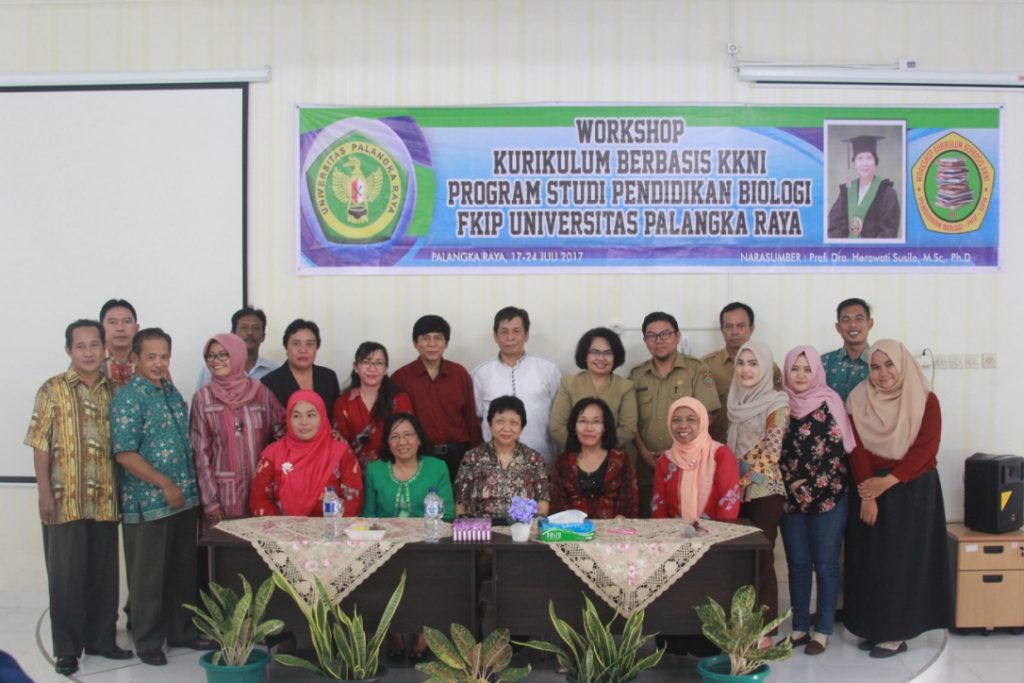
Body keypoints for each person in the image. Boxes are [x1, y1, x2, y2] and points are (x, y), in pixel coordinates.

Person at [24, 320, 130, 676]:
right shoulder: (52, 389)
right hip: (63, 500)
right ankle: (67, 649)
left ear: (103, 350)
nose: (88, 352)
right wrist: (44, 493)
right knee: (66, 577)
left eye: (94, 345)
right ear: (69, 350)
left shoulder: (114, 391)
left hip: (103, 500)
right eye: (80, 346)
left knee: (104, 576)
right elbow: (40, 445)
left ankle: (102, 640)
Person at [110, 328, 213, 665]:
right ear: (135, 358)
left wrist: (182, 489)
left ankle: (181, 630)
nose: (158, 363)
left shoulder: (170, 391)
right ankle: (148, 639)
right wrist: (164, 483)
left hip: (182, 500)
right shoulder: (129, 397)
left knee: (181, 571)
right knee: (149, 576)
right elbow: (125, 453)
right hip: (149, 505)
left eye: (164, 356)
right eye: (151, 356)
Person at [844, 340, 952, 658]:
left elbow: (926, 447)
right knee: (870, 561)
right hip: (869, 489)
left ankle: (896, 633)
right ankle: (874, 627)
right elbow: (856, 446)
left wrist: (888, 481)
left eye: (889, 365)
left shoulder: (925, 399)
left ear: (902, 364)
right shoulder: (857, 398)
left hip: (913, 490)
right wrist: (868, 491)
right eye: (875, 367)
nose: (882, 373)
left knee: (903, 562)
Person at [778, 346, 854, 655]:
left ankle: (822, 630)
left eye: (807, 369)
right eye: (794, 368)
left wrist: (811, 485)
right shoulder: (779, 403)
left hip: (829, 497)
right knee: (797, 564)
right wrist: (792, 481)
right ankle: (798, 627)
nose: (800, 375)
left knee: (825, 565)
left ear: (817, 373)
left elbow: (839, 451)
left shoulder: (830, 401)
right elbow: (768, 449)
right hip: (789, 497)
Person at [727, 340, 790, 643]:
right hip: (737, 492)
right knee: (737, 561)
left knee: (762, 559)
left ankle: (765, 631)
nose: (746, 369)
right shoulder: (735, 401)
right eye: (741, 362)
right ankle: (740, 628)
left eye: (753, 363)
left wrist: (735, 481)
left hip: (765, 490)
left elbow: (772, 452)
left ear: (765, 367)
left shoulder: (777, 402)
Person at [631, 312, 720, 516]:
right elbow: (630, 421)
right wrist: (644, 453)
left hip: (689, 464)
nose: (659, 341)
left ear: (677, 336)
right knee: (649, 524)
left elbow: (707, 416)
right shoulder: (637, 375)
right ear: (645, 341)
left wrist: (678, 453)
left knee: (688, 525)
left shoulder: (696, 369)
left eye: (665, 334)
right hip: (648, 465)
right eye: (651, 336)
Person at [190, 333, 286, 522]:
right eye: (210, 355)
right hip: (223, 496)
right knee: (227, 549)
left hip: (263, 491)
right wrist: (211, 502)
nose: (215, 361)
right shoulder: (203, 398)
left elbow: (284, 435)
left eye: (223, 354)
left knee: (260, 548)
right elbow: (200, 454)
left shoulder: (261, 393)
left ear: (237, 355)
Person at [392, 315, 482, 483]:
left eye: (438, 338)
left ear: (446, 343)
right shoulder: (400, 378)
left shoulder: (459, 374)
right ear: (415, 343)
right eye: (425, 338)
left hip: (458, 455)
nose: (432, 344)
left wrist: (474, 456)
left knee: (457, 506)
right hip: (418, 456)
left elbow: (470, 418)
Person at [250, 390, 363, 517]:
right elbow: (259, 499)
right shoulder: (272, 454)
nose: (304, 422)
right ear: (288, 418)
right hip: (281, 532)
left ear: (322, 416)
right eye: (296, 416)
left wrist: (327, 528)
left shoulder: (341, 452)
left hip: (329, 531)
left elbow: (353, 499)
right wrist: (283, 528)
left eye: (311, 415)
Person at [472, 306, 561, 466]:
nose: (510, 337)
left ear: (526, 335)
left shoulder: (548, 369)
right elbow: (477, 418)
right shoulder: (481, 373)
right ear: (495, 336)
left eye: (516, 331)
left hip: (541, 460)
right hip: (495, 465)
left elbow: (560, 414)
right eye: (504, 331)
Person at [455, 395, 550, 519]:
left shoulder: (534, 459)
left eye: (514, 423)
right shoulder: (472, 458)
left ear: (521, 428)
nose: (506, 428)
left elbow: (543, 504)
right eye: (500, 421)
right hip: (482, 532)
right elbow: (460, 504)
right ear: (490, 425)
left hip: (521, 532)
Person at [702, 302, 782, 444]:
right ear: (721, 330)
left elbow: (778, 406)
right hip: (716, 448)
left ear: (751, 329)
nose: (735, 332)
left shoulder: (769, 367)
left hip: (756, 451)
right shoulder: (706, 366)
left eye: (741, 326)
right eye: (729, 326)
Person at [651, 397, 741, 522]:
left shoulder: (720, 454)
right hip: (673, 535)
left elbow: (728, 500)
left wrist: (719, 536)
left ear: (703, 422)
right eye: (676, 420)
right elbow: (659, 505)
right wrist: (667, 536)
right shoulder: (666, 460)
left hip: (716, 534)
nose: (683, 425)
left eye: (691, 419)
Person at [550, 327, 637, 453]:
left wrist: (598, 450)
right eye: (595, 352)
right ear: (585, 355)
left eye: (608, 353)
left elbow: (628, 429)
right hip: (574, 455)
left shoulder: (626, 386)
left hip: (612, 456)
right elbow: (557, 427)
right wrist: (582, 449)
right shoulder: (568, 383)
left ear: (615, 356)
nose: (601, 358)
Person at [549, 398, 638, 519]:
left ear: (605, 427)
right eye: (582, 421)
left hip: (613, 532)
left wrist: (619, 522)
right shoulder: (563, 462)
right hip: (572, 532)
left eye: (596, 422)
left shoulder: (620, 460)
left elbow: (629, 502)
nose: (589, 428)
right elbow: (556, 504)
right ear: (574, 427)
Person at [333, 342, 412, 467]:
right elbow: (340, 444)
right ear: (355, 367)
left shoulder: (400, 400)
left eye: (379, 363)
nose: (372, 368)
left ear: (386, 369)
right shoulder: (343, 403)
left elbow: (407, 440)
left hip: (393, 470)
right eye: (366, 362)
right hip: (354, 472)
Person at [364, 413, 454, 519]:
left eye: (408, 435)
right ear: (387, 442)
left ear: (419, 439)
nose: (402, 442)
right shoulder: (374, 470)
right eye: (395, 436)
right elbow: (368, 516)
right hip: (386, 534)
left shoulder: (437, 468)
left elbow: (447, 515)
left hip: (428, 534)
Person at [827, 134, 900, 239]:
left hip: (873, 253)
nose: (864, 163)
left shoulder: (887, 193)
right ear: (854, 163)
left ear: (876, 162)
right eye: (860, 158)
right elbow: (834, 226)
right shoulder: (847, 192)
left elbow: (888, 232)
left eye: (869, 158)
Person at [260, 319, 340, 412]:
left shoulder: (329, 377)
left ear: (317, 348)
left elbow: (335, 418)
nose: (303, 350)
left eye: (309, 344)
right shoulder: (270, 382)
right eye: (296, 344)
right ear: (286, 347)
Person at [196, 307, 279, 387]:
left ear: (263, 336)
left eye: (256, 328)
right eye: (244, 327)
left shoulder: (274, 371)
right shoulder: (212, 370)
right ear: (233, 334)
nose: (250, 332)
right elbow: (200, 399)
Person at [821, 298, 875, 402]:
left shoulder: (883, 363)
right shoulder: (823, 363)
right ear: (838, 327)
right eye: (846, 320)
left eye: (859, 318)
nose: (852, 324)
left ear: (870, 323)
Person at [98, 298, 140, 386]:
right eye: (112, 322)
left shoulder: (148, 360)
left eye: (127, 321)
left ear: (136, 328)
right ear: (100, 328)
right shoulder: (91, 359)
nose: (120, 328)